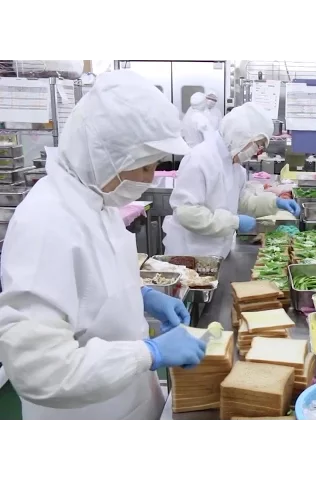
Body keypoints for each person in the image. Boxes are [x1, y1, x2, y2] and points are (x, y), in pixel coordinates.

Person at [0, 70, 208, 420]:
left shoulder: (98, 200)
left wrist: (141, 295)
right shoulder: (45, 222)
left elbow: (94, 283)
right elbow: (40, 371)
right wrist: (150, 353)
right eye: (145, 165)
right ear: (105, 154)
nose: (150, 177)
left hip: (129, 398)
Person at [163, 102, 300, 258]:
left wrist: (274, 203)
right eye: (258, 144)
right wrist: (234, 222)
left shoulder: (234, 166)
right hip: (189, 253)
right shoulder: (200, 159)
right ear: (241, 134)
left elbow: (243, 201)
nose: (257, 151)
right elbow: (188, 213)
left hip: (217, 252)